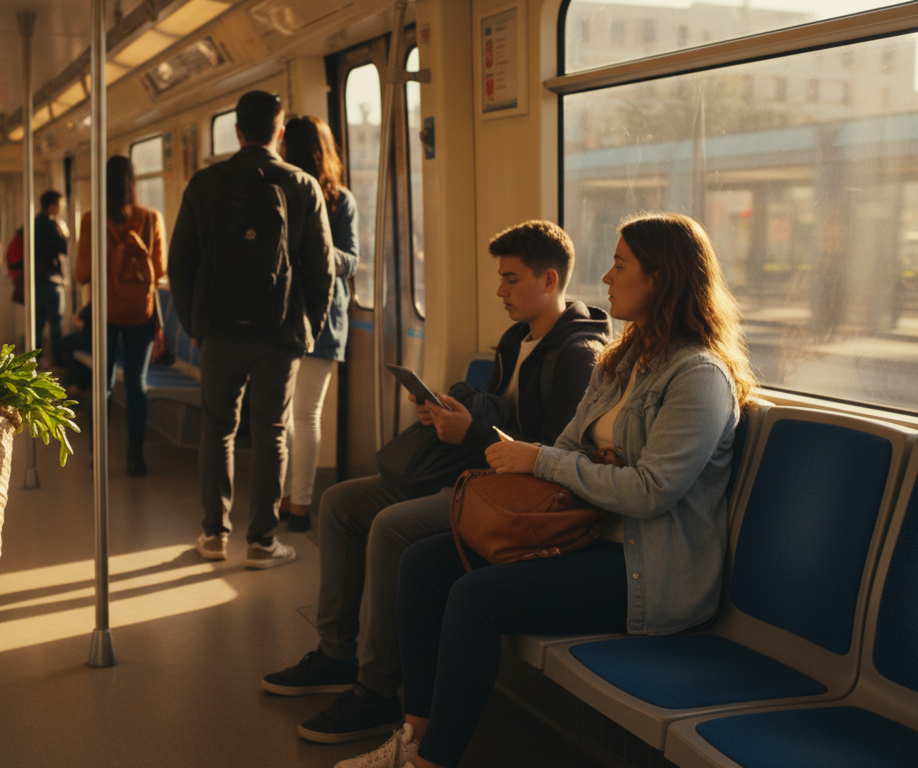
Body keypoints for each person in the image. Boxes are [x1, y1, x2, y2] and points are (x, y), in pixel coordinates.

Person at [342, 213, 755, 768]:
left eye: (619, 264)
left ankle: (430, 762)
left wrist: (552, 462)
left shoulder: (698, 377)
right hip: (585, 534)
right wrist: (563, 462)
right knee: (423, 563)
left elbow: (651, 492)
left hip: (645, 569)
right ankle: (414, 733)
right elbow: (566, 446)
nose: (606, 279)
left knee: (474, 597)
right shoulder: (620, 362)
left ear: (661, 278)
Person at [263, 220, 612, 745]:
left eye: (511, 280)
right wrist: (450, 415)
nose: (500, 292)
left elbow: (551, 458)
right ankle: (336, 653)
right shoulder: (516, 340)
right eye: (500, 279)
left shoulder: (579, 356)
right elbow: (500, 413)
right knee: (338, 503)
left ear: (549, 280)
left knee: (390, 527)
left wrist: (470, 433)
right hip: (475, 474)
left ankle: (379, 690)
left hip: (516, 500)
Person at [168, 90, 334, 570]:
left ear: (237, 131)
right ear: (279, 133)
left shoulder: (205, 184)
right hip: (279, 334)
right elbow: (320, 268)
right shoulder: (302, 185)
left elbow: (181, 263)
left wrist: (195, 325)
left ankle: (213, 534)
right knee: (271, 433)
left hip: (218, 331)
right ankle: (262, 542)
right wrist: (307, 330)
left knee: (217, 429)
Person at [278, 115, 358, 532]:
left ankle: (298, 504)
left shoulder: (337, 200)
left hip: (315, 317)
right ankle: (288, 499)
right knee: (292, 416)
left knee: (300, 415)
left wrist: (317, 248)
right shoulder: (316, 196)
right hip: (296, 316)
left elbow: (350, 261)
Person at [74, 157, 167, 476]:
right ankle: (135, 455)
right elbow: (161, 269)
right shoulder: (152, 219)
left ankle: (97, 454)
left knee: (103, 383)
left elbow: (82, 273)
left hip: (103, 313)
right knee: (137, 383)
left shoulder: (91, 220)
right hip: (141, 313)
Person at [34, 190, 69, 366]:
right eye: (59, 204)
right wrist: (63, 232)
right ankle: (57, 361)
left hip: (35, 278)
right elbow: (63, 249)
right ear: (51, 205)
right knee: (56, 322)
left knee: (37, 323)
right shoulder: (53, 225)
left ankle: (35, 360)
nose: (60, 208)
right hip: (51, 279)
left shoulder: (33, 224)